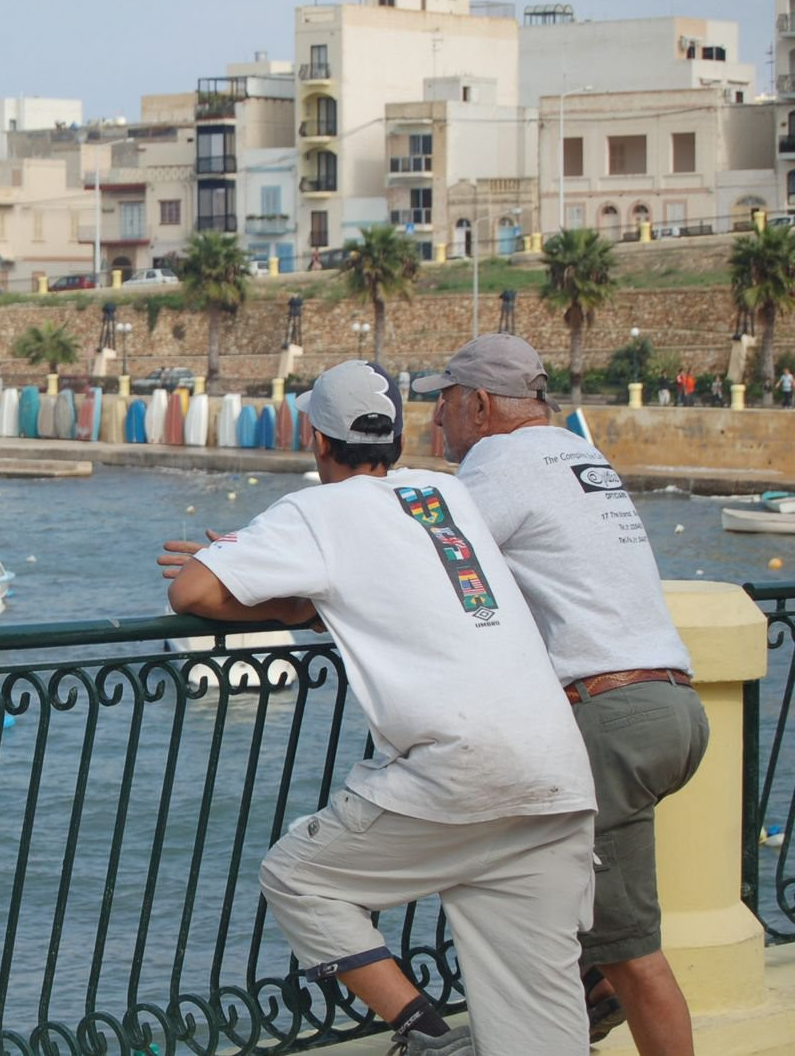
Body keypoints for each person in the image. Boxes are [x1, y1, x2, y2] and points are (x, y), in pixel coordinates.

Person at [161, 360, 596, 1055]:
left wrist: (300, 600)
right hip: (556, 772)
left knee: (299, 877)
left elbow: (192, 592)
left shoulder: (317, 509)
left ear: (318, 440)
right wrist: (315, 594)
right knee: (539, 1031)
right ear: (392, 437)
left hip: (460, 770)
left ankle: (421, 1030)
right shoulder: (445, 494)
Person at [416, 333, 710, 1054]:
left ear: (479, 406)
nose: (435, 423)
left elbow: (418, 560)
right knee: (534, 882)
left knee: (633, 952)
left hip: (609, 718)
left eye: (444, 404)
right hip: (670, 705)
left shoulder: (497, 462)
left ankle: (586, 990)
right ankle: (572, 999)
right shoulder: (580, 453)